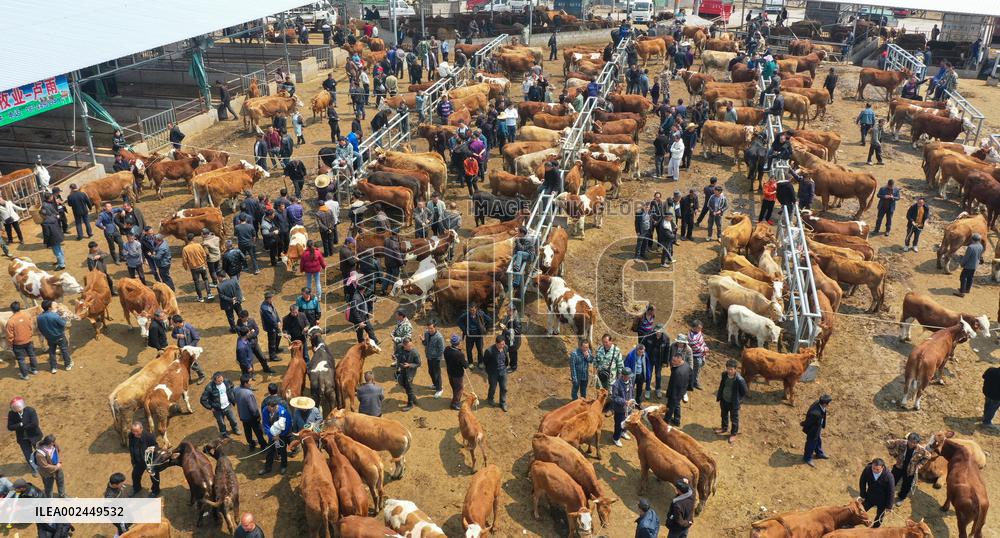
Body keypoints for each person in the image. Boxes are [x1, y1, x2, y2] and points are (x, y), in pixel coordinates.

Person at [715, 358, 748, 443]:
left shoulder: (740, 380)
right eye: (728, 369)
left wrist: (738, 400)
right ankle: (724, 428)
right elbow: (722, 385)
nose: (729, 371)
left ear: (735, 369)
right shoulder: (724, 375)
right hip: (724, 400)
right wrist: (720, 395)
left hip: (734, 403)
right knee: (723, 415)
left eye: (731, 369)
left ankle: (733, 433)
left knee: (734, 419)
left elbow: (744, 391)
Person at [8, 397, 42, 474]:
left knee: (40, 452)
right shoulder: (11, 414)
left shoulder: (30, 410)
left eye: (18, 406)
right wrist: (20, 424)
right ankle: (34, 468)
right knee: (28, 456)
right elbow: (10, 427)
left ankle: (45, 465)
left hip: (35, 436)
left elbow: (35, 424)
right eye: (15, 407)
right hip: (22, 439)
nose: (17, 408)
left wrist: (22, 427)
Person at [200, 372, 241, 437]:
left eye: (222, 380)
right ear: (214, 381)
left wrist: (232, 396)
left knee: (233, 419)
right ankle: (224, 433)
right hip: (217, 410)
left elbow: (232, 386)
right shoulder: (209, 387)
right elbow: (203, 400)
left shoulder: (226, 381)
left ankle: (235, 429)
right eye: (219, 381)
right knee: (221, 422)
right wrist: (210, 407)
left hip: (228, 406)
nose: (221, 382)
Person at [36, 300, 71, 373]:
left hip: (49, 338)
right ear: (49, 308)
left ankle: (53, 368)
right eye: (52, 305)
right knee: (64, 350)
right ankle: (68, 365)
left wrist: (46, 335)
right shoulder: (54, 315)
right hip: (59, 336)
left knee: (52, 352)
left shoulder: (39, 317)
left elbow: (40, 329)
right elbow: (63, 324)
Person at [234, 373, 266, 451]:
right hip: (251, 417)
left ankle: (251, 444)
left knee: (247, 431)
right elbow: (253, 408)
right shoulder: (248, 394)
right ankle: (263, 445)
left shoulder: (236, 389)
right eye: (250, 382)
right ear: (245, 383)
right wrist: (258, 416)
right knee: (258, 431)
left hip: (242, 416)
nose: (251, 383)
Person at [858, 458, 895, 527]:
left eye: (877, 469)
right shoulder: (867, 470)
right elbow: (862, 482)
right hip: (870, 496)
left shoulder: (889, 476)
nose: (874, 471)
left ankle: (875, 528)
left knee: (880, 516)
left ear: (882, 468)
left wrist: (889, 506)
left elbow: (891, 491)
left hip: (882, 499)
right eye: (873, 468)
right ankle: (853, 522)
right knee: (860, 511)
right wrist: (863, 495)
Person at [7, 302, 39, 380]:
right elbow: (31, 327)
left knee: (21, 359)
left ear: (12, 310)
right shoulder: (27, 315)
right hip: (28, 340)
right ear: (19, 307)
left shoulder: (11, 321)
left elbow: (10, 336)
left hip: (18, 344)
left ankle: (25, 375)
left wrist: (10, 345)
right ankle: (34, 370)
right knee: (32, 355)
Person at [260, 399, 291, 475]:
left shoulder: (283, 412)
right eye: (268, 408)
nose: (269, 410)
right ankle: (267, 468)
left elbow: (288, 425)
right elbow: (266, 425)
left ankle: (283, 466)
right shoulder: (265, 410)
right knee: (270, 451)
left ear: (275, 407)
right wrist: (272, 435)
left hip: (282, 435)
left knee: (283, 450)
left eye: (271, 409)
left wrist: (279, 435)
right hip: (272, 434)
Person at [128, 421, 159, 497]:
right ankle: (137, 489)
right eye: (133, 431)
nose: (135, 433)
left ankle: (155, 491)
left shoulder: (149, 436)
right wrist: (133, 460)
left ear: (141, 429)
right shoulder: (131, 436)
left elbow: (156, 446)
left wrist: (153, 448)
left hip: (149, 461)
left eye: (137, 431)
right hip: (138, 462)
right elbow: (131, 447)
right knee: (135, 475)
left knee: (154, 477)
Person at [802, 394, 832, 467]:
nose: (829, 405)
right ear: (824, 404)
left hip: (817, 428)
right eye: (828, 403)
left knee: (818, 440)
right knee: (810, 444)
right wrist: (803, 424)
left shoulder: (819, 404)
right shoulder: (815, 413)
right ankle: (807, 458)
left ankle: (819, 453)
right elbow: (808, 422)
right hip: (813, 431)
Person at [483, 335, 510, 412]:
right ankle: (490, 399)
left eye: (503, 343)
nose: (503, 345)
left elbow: (506, 358)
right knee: (493, 387)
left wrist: (505, 367)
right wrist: (489, 372)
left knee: (504, 388)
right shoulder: (489, 351)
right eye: (501, 344)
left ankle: (503, 402)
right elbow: (485, 362)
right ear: (496, 343)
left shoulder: (505, 347)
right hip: (493, 373)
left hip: (503, 371)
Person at [394, 338, 421, 411]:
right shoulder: (400, 347)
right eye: (408, 346)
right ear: (404, 345)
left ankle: (410, 404)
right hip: (401, 370)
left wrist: (409, 365)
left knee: (409, 388)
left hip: (409, 373)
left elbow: (418, 364)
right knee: (402, 384)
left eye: (411, 345)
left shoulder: (415, 353)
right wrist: (395, 356)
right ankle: (413, 397)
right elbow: (397, 354)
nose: (411, 347)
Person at [611, 368, 635, 447]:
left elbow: (632, 391)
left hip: (629, 407)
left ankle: (623, 432)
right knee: (619, 424)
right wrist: (624, 402)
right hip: (620, 409)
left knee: (627, 421)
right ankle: (616, 438)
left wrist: (632, 400)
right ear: (623, 376)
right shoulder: (616, 385)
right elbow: (615, 397)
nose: (630, 377)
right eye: (628, 376)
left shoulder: (630, 381)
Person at [443, 335, 469, 410]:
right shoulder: (459, 354)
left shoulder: (447, 349)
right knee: (459, 388)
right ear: (458, 343)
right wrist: (465, 359)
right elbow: (466, 365)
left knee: (454, 387)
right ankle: (455, 403)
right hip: (457, 375)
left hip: (450, 372)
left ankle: (455, 398)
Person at [420, 322, 445, 398]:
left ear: (435, 328)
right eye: (428, 328)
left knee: (437, 374)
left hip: (436, 358)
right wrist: (423, 340)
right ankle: (435, 384)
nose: (429, 330)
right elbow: (426, 344)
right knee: (430, 371)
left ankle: (439, 389)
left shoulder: (439, 337)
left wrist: (436, 357)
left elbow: (441, 350)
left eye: (431, 328)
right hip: (429, 357)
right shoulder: (426, 334)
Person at [955, 233, 984, 297]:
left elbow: (966, 257)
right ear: (979, 240)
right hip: (975, 265)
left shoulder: (971, 247)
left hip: (968, 265)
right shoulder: (980, 246)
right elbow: (980, 256)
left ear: (972, 239)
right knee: (970, 277)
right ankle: (967, 289)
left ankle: (962, 292)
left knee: (963, 277)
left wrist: (962, 263)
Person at [983, 365, 1000, 430]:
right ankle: (987, 422)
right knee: (992, 409)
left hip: (987, 392)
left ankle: (985, 416)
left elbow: (983, 377)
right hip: (996, 397)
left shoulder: (991, 369)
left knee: (987, 404)